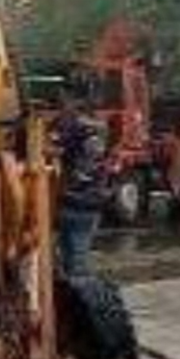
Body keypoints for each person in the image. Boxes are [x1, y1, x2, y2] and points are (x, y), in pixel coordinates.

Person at [51, 87, 109, 277]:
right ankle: (76, 294)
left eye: (63, 102)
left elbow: (52, 148)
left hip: (73, 201)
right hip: (91, 202)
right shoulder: (99, 127)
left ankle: (77, 297)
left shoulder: (73, 126)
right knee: (77, 257)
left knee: (71, 261)